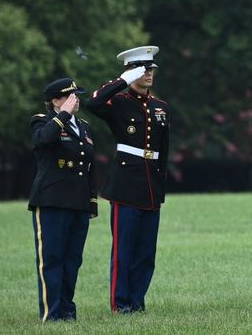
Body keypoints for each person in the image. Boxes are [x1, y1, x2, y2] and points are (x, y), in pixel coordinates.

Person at [84, 45, 170, 314]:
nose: (149, 74)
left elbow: (163, 150)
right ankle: (120, 304)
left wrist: (161, 187)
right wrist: (122, 80)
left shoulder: (160, 107)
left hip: (150, 187)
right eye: (143, 70)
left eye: (151, 69)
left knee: (146, 254)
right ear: (132, 72)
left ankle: (137, 301)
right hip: (125, 185)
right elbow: (93, 102)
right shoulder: (118, 102)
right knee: (124, 252)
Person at [28, 77, 98, 322]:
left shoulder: (85, 127)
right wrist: (63, 116)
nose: (75, 99)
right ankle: (52, 313)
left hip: (78, 203)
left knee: (72, 260)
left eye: (76, 95)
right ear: (55, 101)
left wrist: (92, 201)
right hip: (52, 201)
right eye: (69, 96)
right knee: (52, 259)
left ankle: (67, 311)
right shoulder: (42, 121)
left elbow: (89, 166)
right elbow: (44, 140)